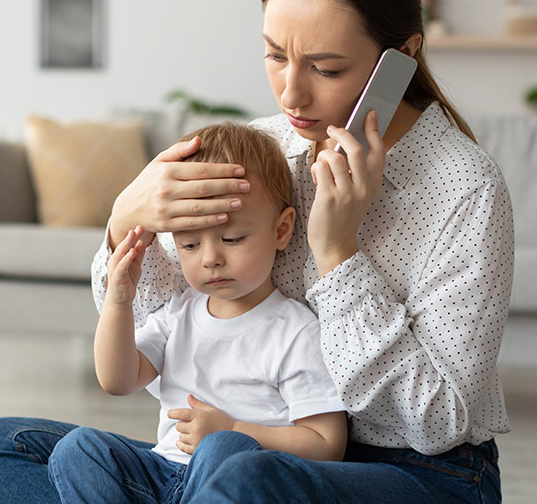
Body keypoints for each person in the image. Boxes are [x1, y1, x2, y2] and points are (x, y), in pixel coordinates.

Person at [0, 0, 512, 503]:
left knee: (244, 474)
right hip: (225, 454)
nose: (291, 94)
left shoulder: (465, 188)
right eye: (275, 56)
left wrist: (338, 254)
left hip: (415, 473)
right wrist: (125, 221)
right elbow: (163, 324)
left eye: (326, 68)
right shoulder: (260, 151)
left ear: (400, 58)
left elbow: (436, 423)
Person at [48, 123, 347, 504]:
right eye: (189, 244)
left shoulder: (296, 331)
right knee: (79, 448)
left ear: (282, 229)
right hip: (161, 473)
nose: (211, 259)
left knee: (222, 448)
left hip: (237, 478)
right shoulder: (179, 313)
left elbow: (327, 443)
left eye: (232, 238)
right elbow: (117, 380)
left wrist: (234, 429)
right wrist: (118, 303)